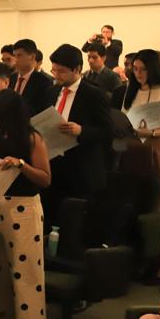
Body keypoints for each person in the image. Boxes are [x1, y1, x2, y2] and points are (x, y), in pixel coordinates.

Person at [0, 89, 52, 319]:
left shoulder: (32, 138)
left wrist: (21, 164)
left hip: (23, 207)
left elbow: (45, 178)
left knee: (25, 273)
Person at [122, 49, 160, 281]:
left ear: (153, 69)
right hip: (137, 151)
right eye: (135, 69)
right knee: (141, 205)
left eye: (143, 69)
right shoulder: (133, 90)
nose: (138, 74)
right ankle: (143, 259)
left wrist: (152, 131)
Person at [42, 45, 114, 227]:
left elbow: (107, 131)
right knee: (51, 216)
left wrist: (81, 130)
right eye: (54, 70)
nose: (56, 75)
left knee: (76, 222)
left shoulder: (94, 94)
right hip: (53, 162)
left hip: (81, 167)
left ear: (77, 70)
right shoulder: (51, 93)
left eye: (61, 71)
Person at [10, 39, 53, 114]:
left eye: (19, 55)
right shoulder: (11, 78)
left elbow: (43, 110)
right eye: (14, 55)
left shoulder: (43, 81)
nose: (15, 60)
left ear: (32, 57)